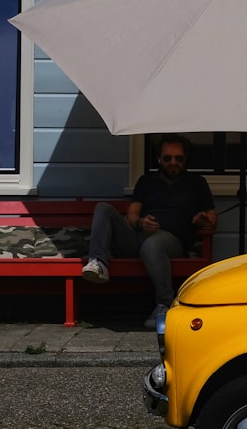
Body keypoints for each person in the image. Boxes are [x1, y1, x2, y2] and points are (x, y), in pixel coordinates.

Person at [81, 133, 217, 329]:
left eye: (178, 158)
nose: (173, 163)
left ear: (185, 159)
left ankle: (164, 304)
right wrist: (141, 222)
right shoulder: (146, 181)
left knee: (153, 245)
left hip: (171, 240)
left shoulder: (196, 183)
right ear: (159, 159)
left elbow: (213, 217)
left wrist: (202, 218)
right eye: (168, 158)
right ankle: (98, 262)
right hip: (138, 237)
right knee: (103, 208)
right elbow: (132, 215)